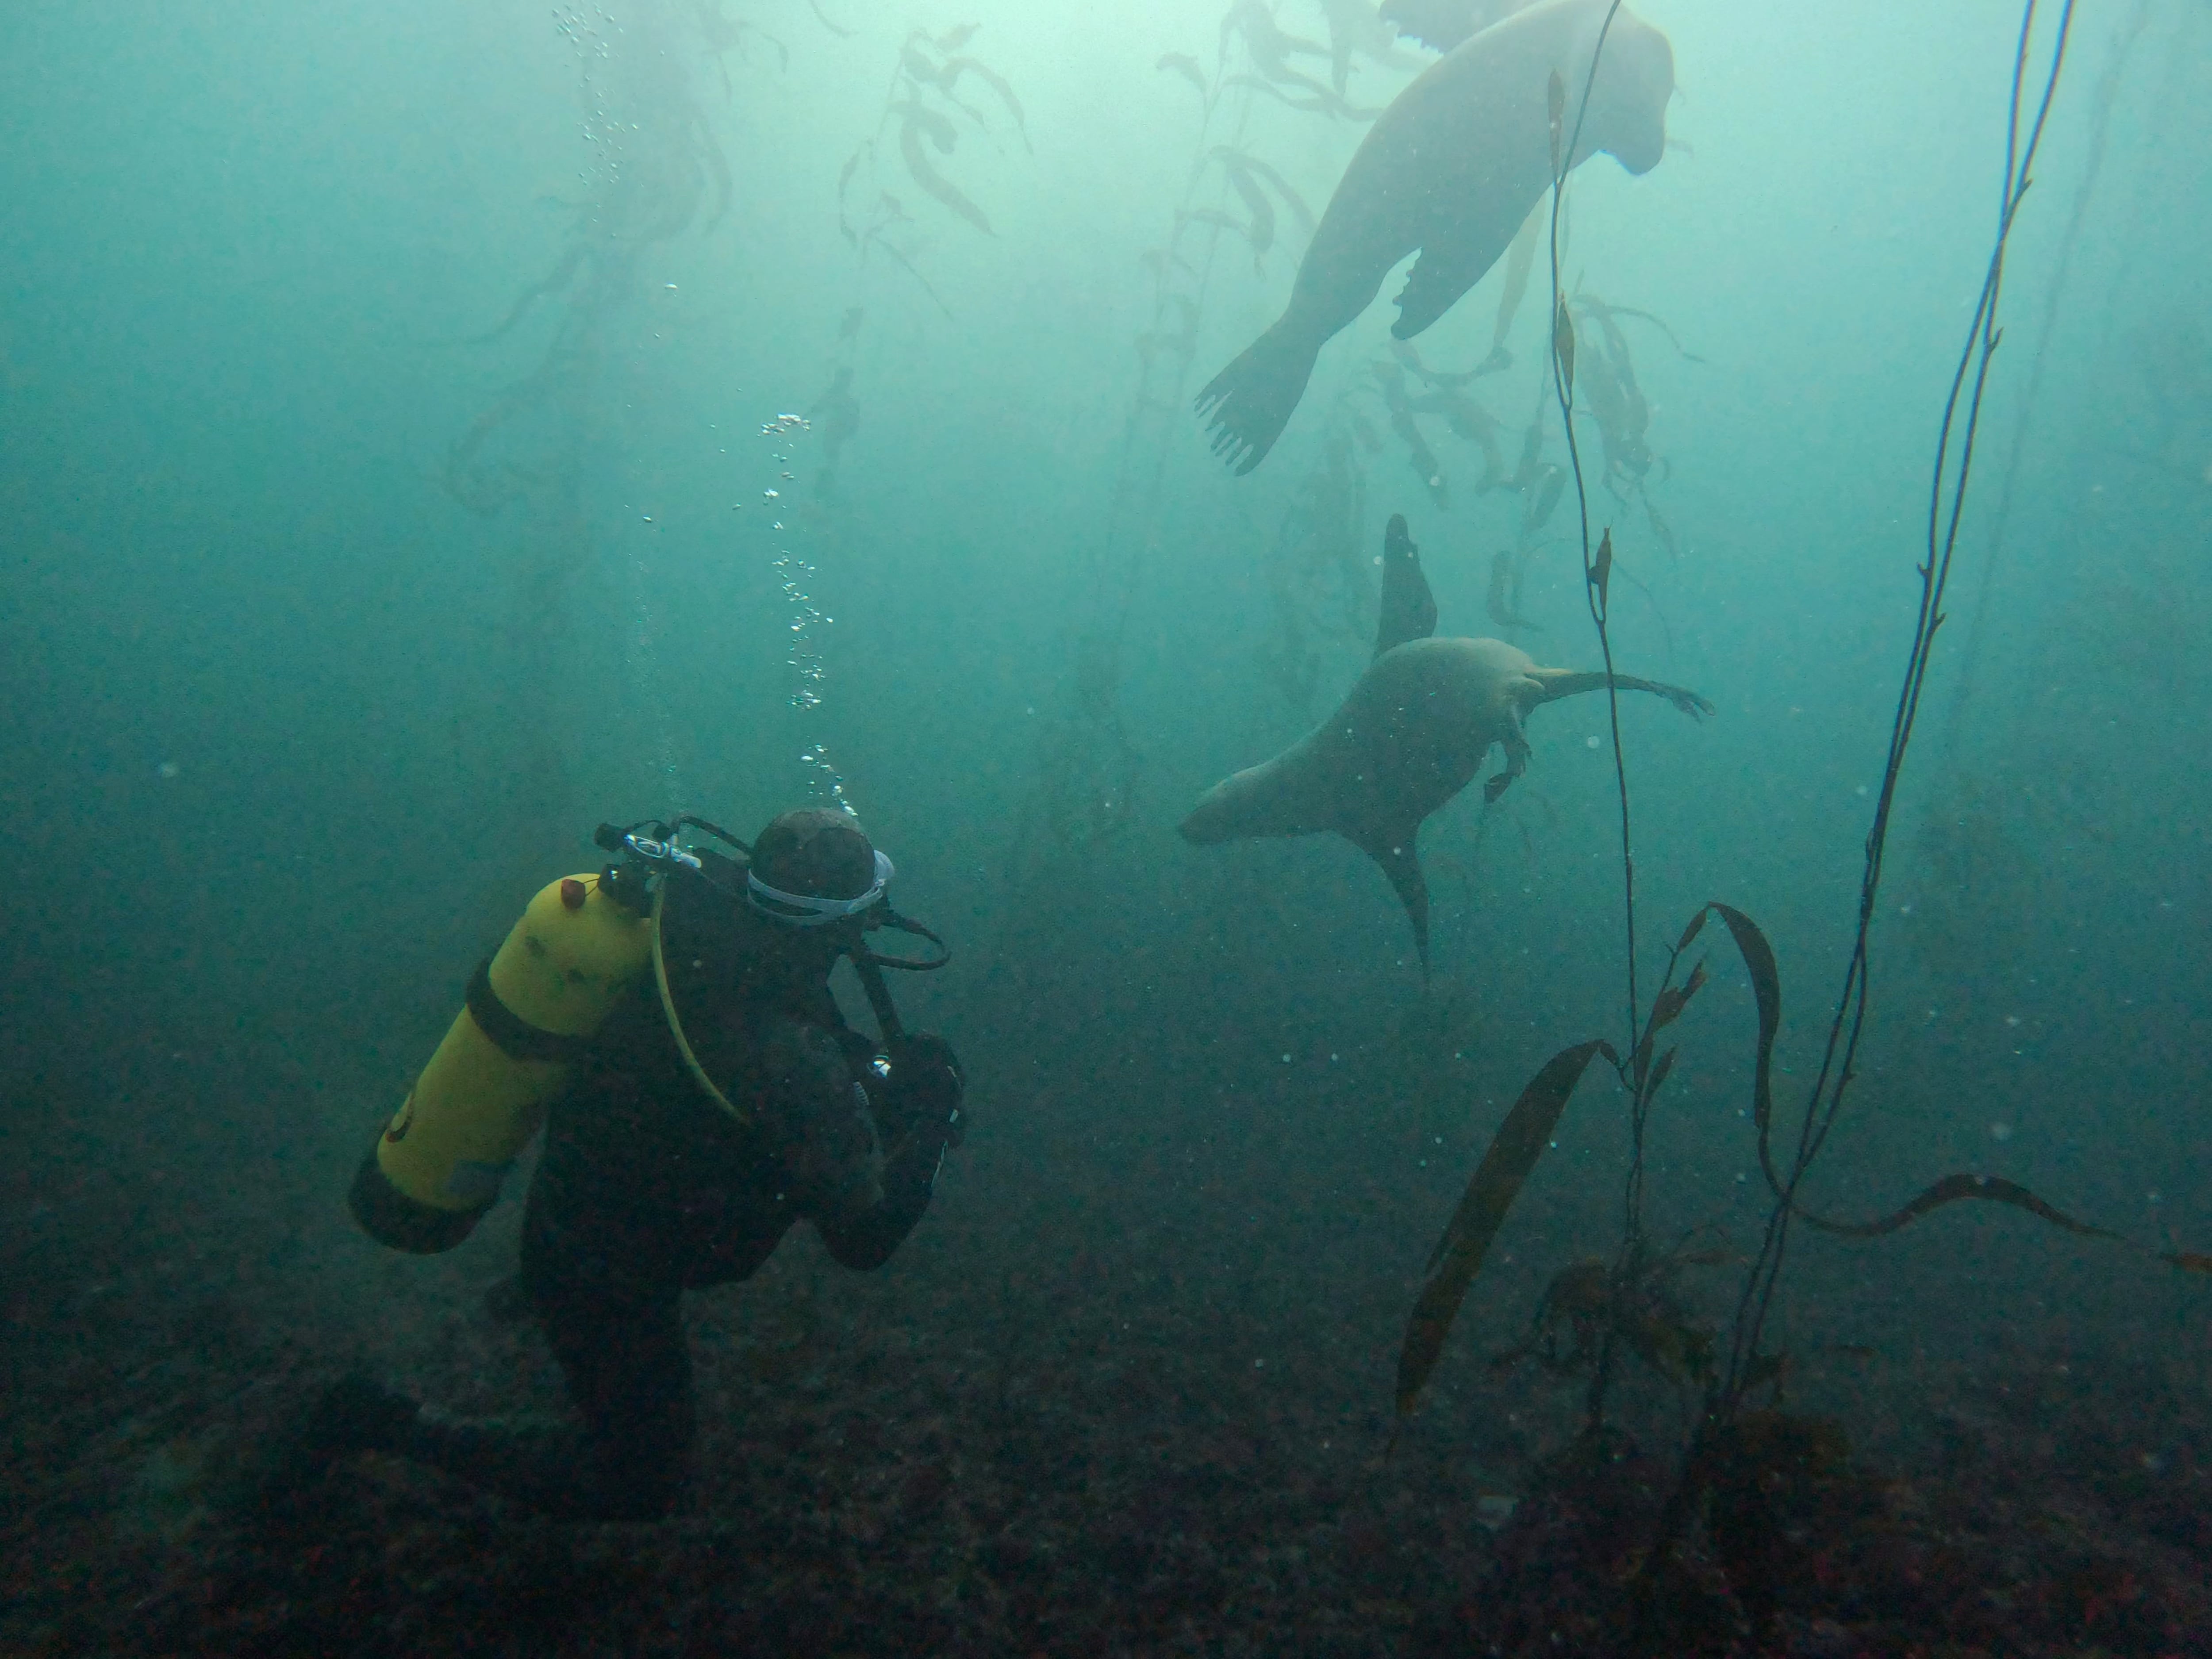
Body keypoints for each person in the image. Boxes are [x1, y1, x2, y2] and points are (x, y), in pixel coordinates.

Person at [307, 807, 964, 1521]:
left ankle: (528, 1296)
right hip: (616, 1270)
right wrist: (931, 1120)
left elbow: (765, 1064)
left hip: (577, 1206)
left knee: (580, 1285)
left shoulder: (694, 918)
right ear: (842, 920)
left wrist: (869, 1075)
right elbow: (865, 1239)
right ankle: (380, 1420)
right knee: (637, 1481)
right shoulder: (790, 1052)